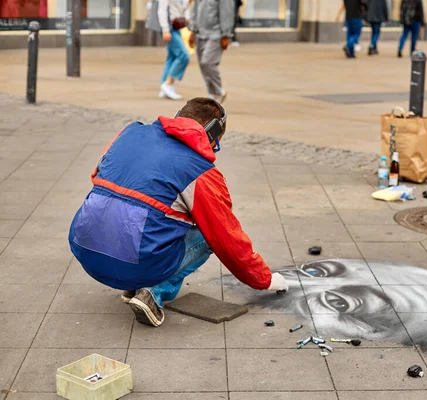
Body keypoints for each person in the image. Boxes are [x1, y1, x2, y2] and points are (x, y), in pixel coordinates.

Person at [68, 98, 290, 327]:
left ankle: (131, 283)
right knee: (208, 233)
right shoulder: (199, 171)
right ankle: (152, 292)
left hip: (84, 248)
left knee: (140, 210)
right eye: (217, 142)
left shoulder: (129, 133)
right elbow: (227, 238)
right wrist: (265, 279)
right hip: (133, 262)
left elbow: (98, 176)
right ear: (211, 132)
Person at [188, 0, 234, 103]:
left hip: (216, 34)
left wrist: (226, 34)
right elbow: (194, 11)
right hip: (200, 33)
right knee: (203, 65)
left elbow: (227, 13)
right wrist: (192, 31)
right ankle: (212, 93)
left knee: (207, 62)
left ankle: (219, 91)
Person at [157, 0, 191, 100]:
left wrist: (188, 3)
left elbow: (180, 9)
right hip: (169, 28)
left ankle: (165, 87)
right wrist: (165, 29)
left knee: (172, 57)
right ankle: (168, 84)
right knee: (184, 56)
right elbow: (162, 11)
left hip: (175, 28)